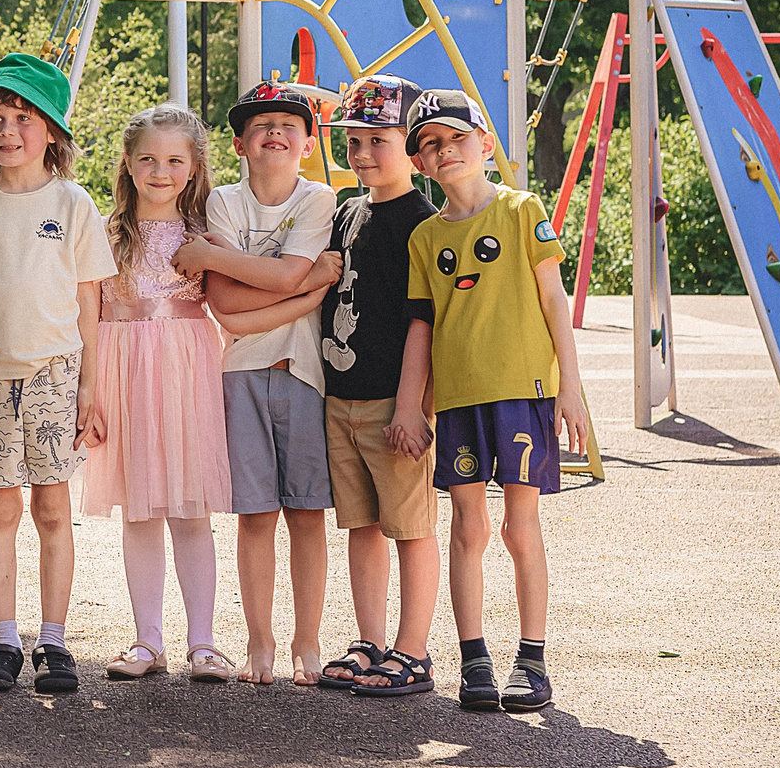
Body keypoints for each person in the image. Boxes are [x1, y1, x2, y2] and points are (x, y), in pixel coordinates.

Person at [402, 89, 591, 713]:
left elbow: (553, 301)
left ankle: (532, 660)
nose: (445, 150)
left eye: (457, 137)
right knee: (468, 526)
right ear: (421, 164)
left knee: (519, 526)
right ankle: (474, 657)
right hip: (459, 400)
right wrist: (415, 404)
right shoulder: (426, 239)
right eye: (430, 144)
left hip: (524, 392)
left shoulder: (520, 210)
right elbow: (424, 325)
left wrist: (572, 387)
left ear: (484, 143)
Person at [0, 54, 113, 696]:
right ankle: (4, 641)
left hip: (54, 373)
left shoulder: (72, 204)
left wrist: (90, 387)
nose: (8, 131)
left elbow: (90, 303)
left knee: (51, 506)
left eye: (23, 118)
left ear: (51, 133)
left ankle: (54, 640)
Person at [175, 81, 340, 686]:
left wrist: (231, 263)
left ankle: (307, 641)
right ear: (241, 143)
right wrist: (311, 287)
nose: (275, 130)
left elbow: (278, 274)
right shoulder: (222, 202)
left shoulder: (319, 199)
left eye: (288, 123)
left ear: (307, 141)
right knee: (255, 516)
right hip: (239, 372)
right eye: (261, 123)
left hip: (303, 374)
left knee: (307, 515)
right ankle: (260, 642)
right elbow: (225, 306)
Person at [294, 75, 442, 698]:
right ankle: (370, 638)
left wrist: (411, 405)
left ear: (411, 147)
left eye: (377, 140)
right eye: (353, 141)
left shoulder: (422, 220)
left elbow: (423, 320)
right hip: (342, 395)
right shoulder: (346, 210)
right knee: (360, 524)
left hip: (393, 400)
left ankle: (413, 649)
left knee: (411, 525)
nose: (361, 154)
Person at [80, 105, 235, 681]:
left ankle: (203, 641)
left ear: (194, 168)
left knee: (190, 508)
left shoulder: (206, 236)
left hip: (185, 365)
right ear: (127, 162)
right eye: (147, 158)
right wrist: (88, 390)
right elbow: (87, 314)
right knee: (138, 510)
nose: (160, 171)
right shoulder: (103, 232)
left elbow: (230, 304)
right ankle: (147, 640)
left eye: (174, 160)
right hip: (121, 368)